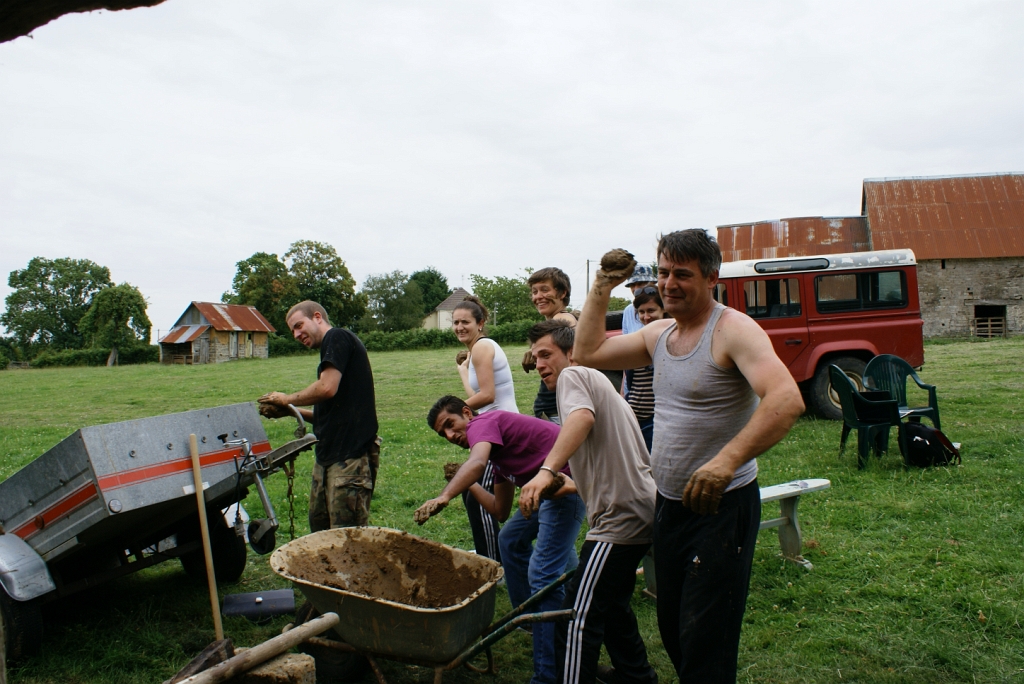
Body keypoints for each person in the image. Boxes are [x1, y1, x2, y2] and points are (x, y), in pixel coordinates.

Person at [572, 231, 805, 683]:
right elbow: (587, 353)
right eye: (663, 273)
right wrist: (601, 285)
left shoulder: (733, 330)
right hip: (669, 504)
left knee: (706, 639)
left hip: (722, 507)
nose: (669, 283)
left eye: (682, 274)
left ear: (712, 278)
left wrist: (726, 460)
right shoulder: (659, 333)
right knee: (675, 628)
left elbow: (785, 399)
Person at [519, 320, 659, 684]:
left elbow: (582, 418)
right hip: (640, 506)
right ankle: (636, 676)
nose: (540, 364)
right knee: (611, 605)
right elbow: (611, 462)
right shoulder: (600, 385)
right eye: (535, 358)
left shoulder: (575, 376)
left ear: (571, 352)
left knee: (578, 613)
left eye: (546, 354)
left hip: (620, 517)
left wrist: (547, 470)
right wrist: (568, 484)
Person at [416, 397, 585, 684]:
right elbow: (501, 511)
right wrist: (465, 480)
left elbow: (477, 462)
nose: (449, 436)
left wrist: (445, 495)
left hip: (568, 485)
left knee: (543, 574)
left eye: (450, 424)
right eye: (441, 433)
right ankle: (532, 620)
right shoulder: (497, 455)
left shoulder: (485, 423)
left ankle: (548, 674)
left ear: (467, 413)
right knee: (510, 539)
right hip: (545, 494)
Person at [258, 300, 380, 532]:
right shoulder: (331, 352)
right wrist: (290, 412)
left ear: (317, 317)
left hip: (349, 459)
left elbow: (326, 388)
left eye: (298, 325)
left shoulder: (337, 337)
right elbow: (329, 413)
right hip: (327, 459)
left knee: (346, 542)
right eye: (292, 330)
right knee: (321, 535)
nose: (295, 334)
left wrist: (286, 399)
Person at [452, 295, 518, 562]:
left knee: (479, 495)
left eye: (465, 321)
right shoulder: (476, 350)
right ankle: (486, 553)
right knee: (472, 492)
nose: (459, 327)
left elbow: (488, 395)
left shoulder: (482, 347)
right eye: (455, 322)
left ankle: (493, 562)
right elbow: (479, 396)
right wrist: (462, 372)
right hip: (490, 428)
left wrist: (451, 411)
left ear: (480, 323)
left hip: (501, 431)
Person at [526, 267, 577, 424]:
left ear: (562, 293)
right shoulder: (552, 321)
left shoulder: (563, 317)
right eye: (535, 292)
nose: (538, 296)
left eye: (545, 290)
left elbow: (568, 329)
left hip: (558, 411)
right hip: (552, 409)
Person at [623, 286, 665, 452]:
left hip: (655, 419)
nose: (646, 317)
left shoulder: (670, 341)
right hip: (633, 417)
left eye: (651, 311)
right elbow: (630, 382)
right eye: (641, 312)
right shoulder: (637, 341)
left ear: (663, 310)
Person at [621, 264, 657, 335]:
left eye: (641, 284)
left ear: (652, 283)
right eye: (632, 285)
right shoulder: (628, 311)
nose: (636, 289)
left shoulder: (665, 306)